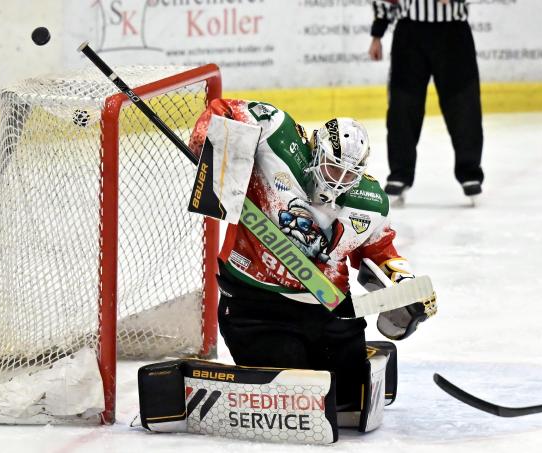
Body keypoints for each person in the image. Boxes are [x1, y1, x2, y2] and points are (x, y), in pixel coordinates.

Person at [187, 98, 435, 416]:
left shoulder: (370, 204)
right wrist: (211, 135)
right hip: (256, 306)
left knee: (347, 400)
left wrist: (405, 287)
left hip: (329, 310)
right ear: (316, 150)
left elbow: (380, 252)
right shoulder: (275, 134)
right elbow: (224, 108)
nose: (337, 181)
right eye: (333, 168)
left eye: (349, 176)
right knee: (299, 397)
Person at [369, 0, 484, 205]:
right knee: (402, 108)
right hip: (409, 33)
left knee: (463, 105)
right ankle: (399, 174)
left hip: (453, 34)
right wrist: (377, 33)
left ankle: (470, 173)